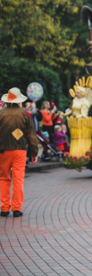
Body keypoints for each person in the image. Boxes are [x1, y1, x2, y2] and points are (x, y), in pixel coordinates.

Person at [0, 88, 38, 218]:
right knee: (18, 179)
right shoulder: (25, 114)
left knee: (4, 178)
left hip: (3, 151)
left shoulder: (1, 114)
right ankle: (17, 208)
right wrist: (33, 153)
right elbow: (31, 136)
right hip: (20, 150)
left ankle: (4, 208)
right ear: (19, 101)